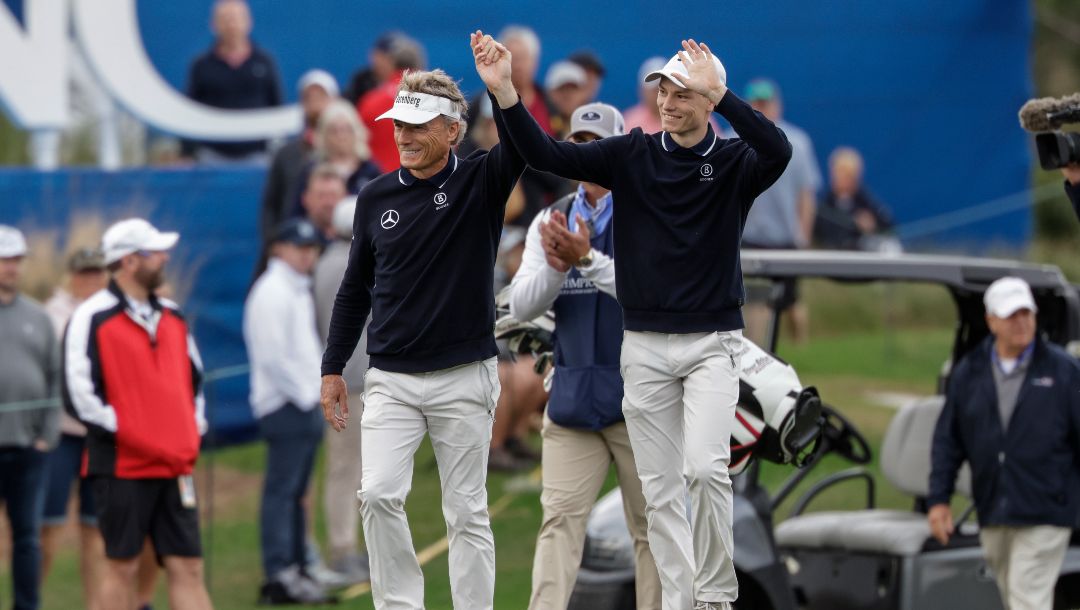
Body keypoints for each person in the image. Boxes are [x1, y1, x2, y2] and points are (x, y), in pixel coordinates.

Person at [475, 35, 791, 609]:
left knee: (703, 470)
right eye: (663, 91)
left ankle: (716, 596)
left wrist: (723, 94)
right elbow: (547, 153)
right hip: (642, 347)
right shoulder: (632, 153)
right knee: (663, 489)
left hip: (712, 342)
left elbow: (778, 151)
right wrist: (504, 91)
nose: (667, 101)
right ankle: (677, 598)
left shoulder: (732, 163)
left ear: (708, 100)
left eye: (680, 91)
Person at [320, 50, 527, 609]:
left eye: (416, 126)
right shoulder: (376, 196)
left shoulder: (482, 179)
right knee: (378, 494)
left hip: (464, 376)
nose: (403, 137)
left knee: (466, 510)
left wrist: (503, 90)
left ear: (452, 131)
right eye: (398, 126)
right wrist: (333, 367)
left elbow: (527, 147)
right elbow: (355, 288)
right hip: (391, 377)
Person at [509, 103, 661, 610]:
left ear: (616, 148)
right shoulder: (549, 221)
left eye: (594, 142)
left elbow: (647, 295)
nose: (583, 152)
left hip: (641, 404)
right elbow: (523, 304)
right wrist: (556, 266)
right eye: (574, 142)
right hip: (573, 401)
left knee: (652, 532)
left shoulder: (645, 211)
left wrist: (585, 259)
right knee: (558, 526)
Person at [64, 218, 212, 610]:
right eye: (155, 251)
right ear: (129, 261)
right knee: (122, 568)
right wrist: (133, 430)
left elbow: (194, 381)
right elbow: (78, 396)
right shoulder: (91, 316)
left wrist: (188, 432)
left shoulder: (173, 315)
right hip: (121, 467)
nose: (165, 257)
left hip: (174, 466)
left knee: (188, 566)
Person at [929, 276, 1080, 610]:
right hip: (994, 509)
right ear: (991, 321)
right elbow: (948, 440)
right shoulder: (970, 372)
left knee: (1027, 597)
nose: (1021, 322)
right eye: (1012, 315)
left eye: (1026, 313)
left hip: (1046, 510)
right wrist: (939, 499)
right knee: (1013, 596)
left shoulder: (1064, 372)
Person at [245, 218, 334, 605]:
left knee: (296, 492)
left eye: (311, 248)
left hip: (302, 403)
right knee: (282, 492)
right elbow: (273, 357)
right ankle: (280, 572)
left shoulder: (294, 289)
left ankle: (297, 566)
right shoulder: (271, 291)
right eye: (299, 248)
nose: (307, 254)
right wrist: (305, 396)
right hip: (285, 406)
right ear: (278, 249)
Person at [40, 248, 108, 610]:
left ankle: (96, 604)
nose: (91, 280)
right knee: (47, 526)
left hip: (97, 435)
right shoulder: (51, 316)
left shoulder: (112, 311)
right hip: (60, 435)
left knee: (94, 528)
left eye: (97, 273)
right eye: (84, 273)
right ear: (72, 275)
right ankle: (29, 600)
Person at [0, 225, 60, 610]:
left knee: (27, 537)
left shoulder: (38, 317)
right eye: (6, 260)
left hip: (28, 448)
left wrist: (47, 435)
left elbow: (55, 378)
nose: (12, 268)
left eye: (17, 260)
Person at [739, 78, 821, 346]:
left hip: (786, 238)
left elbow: (806, 195)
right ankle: (758, 353)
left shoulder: (797, 141)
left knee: (791, 302)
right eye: (757, 103)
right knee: (755, 302)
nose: (761, 108)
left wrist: (803, 236)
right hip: (748, 236)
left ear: (777, 104)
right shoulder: (734, 138)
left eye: (766, 102)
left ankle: (802, 347)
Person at [313, 200, 370, 583]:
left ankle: (351, 547)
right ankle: (342, 549)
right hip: (351, 380)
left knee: (357, 469)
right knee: (346, 468)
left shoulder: (327, 262)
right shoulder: (347, 264)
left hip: (351, 377)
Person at [182, 0, 283, 163]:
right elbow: (189, 109)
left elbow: (275, 104)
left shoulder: (264, 62)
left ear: (248, 22)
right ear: (214, 24)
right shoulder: (201, 65)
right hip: (212, 155)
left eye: (236, 18)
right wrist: (186, 152)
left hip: (257, 154)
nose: (231, 24)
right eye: (225, 18)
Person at [259, 69, 339, 246]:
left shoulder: (347, 152)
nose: (315, 104)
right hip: (294, 245)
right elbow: (272, 205)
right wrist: (274, 243)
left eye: (321, 97)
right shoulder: (287, 154)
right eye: (309, 98)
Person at [290, 99, 381, 216]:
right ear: (323, 135)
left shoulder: (371, 171)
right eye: (334, 131)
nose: (341, 136)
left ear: (356, 132)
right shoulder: (310, 171)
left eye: (346, 129)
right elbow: (296, 214)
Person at [357, 33, 427, 172]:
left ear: (393, 64)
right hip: (423, 180)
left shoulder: (370, 101)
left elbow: (358, 143)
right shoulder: (434, 100)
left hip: (381, 180)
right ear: (420, 65)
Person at [813, 146, 895, 250]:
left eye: (847, 175)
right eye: (838, 173)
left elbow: (888, 223)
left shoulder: (865, 200)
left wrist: (872, 225)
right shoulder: (823, 204)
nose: (841, 179)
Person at [544, 61, 590, 138]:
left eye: (574, 89)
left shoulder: (593, 129)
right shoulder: (538, 124)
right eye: (561, 89)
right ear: (549, 93)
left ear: (583, 94)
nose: (568, 96)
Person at [622, 56, 667, 134]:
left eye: (663, 90)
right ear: (642, 90)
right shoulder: (630, 121)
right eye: (655, 90)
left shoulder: (683, 120)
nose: (659, 94)